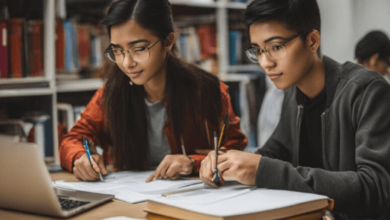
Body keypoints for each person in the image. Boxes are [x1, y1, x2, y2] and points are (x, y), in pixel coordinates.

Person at [199, 0, 390, 219]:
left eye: (276, 47)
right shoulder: (293, 94)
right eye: (258, 50)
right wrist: (225, 162)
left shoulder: (367, 91)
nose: (265, 63)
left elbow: (376, 188)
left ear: (312, 41)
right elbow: (273, 152)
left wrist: (263, 170)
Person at [59, 0, 247, 182]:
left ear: (168, 41)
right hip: (129, 201)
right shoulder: (112, 92)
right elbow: (74, 138)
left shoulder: (209, 91)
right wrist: (80, 157)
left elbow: (235, 151)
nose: (127, 63)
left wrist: (193, 163)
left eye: (139, 49)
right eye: (118, 50)